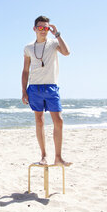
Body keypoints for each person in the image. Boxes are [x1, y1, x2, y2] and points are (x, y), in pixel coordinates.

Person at [21, 15, 72, 166]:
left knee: (59, 120)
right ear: (35, 29)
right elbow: (25, 70)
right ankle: (44, 156)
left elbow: (67, 52)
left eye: (46, 28)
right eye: (41, 27)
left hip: (51, 87)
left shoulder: (54, 43)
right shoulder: (28, 48)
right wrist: (24, 91)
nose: (44, 30)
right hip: (34, 87)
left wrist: (57, 34)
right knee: (39, 121)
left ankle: (58, 157)